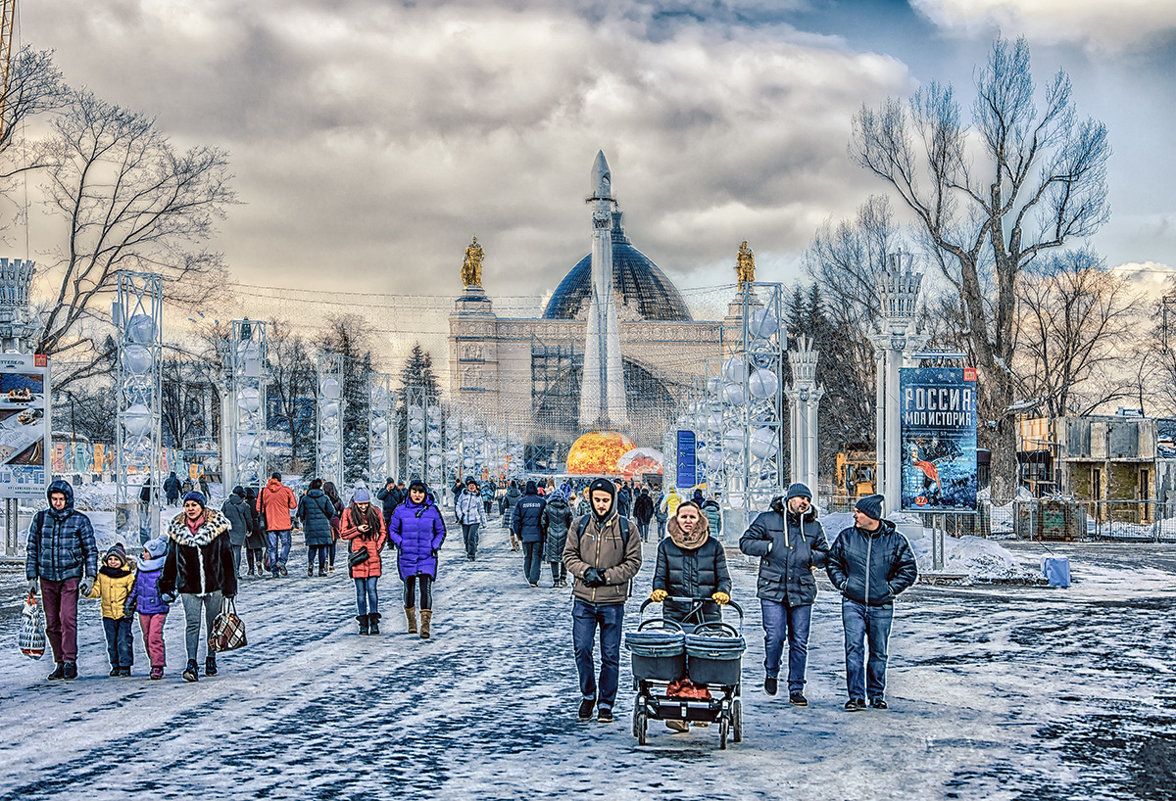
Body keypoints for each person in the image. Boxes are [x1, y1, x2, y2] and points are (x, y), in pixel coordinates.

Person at [826, 494, 919, 711]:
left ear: (872, 516)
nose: (855, 515)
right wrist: (843, 584)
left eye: (859, 512)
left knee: (879, 651)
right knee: (854, 648)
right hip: (853, 602)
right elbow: (833, 562)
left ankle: (877, 695)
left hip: (882, 605)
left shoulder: (896, 540)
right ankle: (856, 697)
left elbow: (909, 570)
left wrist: (890, 589)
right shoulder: (847, 537)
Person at [739, 483, 829, 705]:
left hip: (802, 589)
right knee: (775, 636)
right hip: (773, 589)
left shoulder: (814, 526)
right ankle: (771, 671)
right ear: (789, 499)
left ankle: (796, 688)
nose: (804, 503)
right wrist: (769, 547)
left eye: (807, 500)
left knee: (799, 641)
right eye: (800, 499)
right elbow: (746, 543)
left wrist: (810, 556)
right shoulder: (767, 520)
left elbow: (825, 553)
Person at [562, 478, 643, 724]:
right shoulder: (579, 525)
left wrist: (607, 576)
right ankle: (588, 695)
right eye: (597, 500)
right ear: (590, 499)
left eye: (605, 500)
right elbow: (568, 555)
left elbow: (633, 562)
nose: (601, 505)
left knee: (610, 654)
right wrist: (585, 571)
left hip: (612, 601)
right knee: (582, 649)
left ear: (613, 501)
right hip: (584, 599)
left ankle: (606, 703)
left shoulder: (627, 528)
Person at [650, 501, 731, 732]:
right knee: (677, 660)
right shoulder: (666, 546)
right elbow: (660, 576)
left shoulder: (714, 546)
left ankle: (701, 705)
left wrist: (723, 592)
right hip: (676, 610)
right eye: (683, 516)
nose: (688, 521)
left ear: (700, 520)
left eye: (692, 517)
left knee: (701, 660)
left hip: (707, 611)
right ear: (676, 520)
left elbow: (723, 577)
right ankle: (678, 709)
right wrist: (659, 590)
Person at [159, 491, 237, 683]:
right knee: (192, 624)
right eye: (187, 505)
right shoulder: (177, 530)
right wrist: (167, 584)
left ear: (202, 507)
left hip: (214, 585)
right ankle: (191, 663)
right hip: (189, 586)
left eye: (194, 505)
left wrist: (229, 587)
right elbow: (171, 559)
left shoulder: (217, 528)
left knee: (212, 624)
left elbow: (227, 558)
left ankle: (211, 658)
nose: (190, 509)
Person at [26, 479, 98, 681]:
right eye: (54, 499)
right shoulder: (40, 520)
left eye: (61, 499)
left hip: (70, 575)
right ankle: (59, 661)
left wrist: (90, 576)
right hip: (47, 577)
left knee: (67, 618)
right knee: (52, 623)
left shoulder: (80, 521)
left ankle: (69, 661)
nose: (57, 502)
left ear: (68, 500)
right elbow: (32, 549)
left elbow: (90, 550)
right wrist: (32, 576)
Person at [387, 480, 447, 639]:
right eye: (414, 491)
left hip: (427, 555)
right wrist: (401, 543)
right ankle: (411, 621)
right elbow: (392, 530)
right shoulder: (400, 510)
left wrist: (433, 545)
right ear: (409, 492)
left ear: (425, 493)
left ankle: (425, 625)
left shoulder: (432, 511)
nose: (417, 495)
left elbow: (440, 531)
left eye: (420, 492)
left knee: (426, 587)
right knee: (409, 586)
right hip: (407, 555)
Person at [85, 543, 137, 677]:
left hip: (124, 614)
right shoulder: (102, 574)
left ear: (122, 561)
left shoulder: (127, 576)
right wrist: (88, 591)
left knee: (123, 640)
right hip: (108, 615)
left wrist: (131, 606)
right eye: (110, 559)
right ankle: (115, 665)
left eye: (116, 559)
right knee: (111, 642)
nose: (113, 562)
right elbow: (97, 591)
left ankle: (125, 666)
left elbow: (133, 592)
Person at [339, 489, 387, 635]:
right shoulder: (348, 513)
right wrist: (358, 530)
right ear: (355, 503)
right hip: (358, 556)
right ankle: (363, 623)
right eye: (360, 504)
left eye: (365, 504)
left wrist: (377, 547)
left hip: (372, 555)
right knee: (360, 592)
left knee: (372, 590)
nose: (363, 507)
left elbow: (383, 531)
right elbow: (343, 534)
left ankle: (374, 621)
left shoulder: (376, 512)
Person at [127, 537, 170, 680]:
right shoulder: (141, 567)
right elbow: (136, 587)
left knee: (154, 637)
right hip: (143, 608)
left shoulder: (162, 569)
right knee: (147, 638)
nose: (143, 554)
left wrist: (168, 595)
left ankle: (158, 666)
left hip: (158, 608)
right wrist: (130, 602)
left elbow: (170, 585)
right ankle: (153, 661)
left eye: (146, 551)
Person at [257, 472, 297, 578]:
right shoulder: (286, 490)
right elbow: (293, 505)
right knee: (286, 544)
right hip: (284, 523)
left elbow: (258, 508)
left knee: (272, 548)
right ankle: (282, 561)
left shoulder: (263, 492)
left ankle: (274, 570)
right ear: (280, 480)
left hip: (270, 524)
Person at [297, 478, 336, 577]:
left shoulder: (305, 498)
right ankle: (321, 569)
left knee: (312, 547)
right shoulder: (325, 498)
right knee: (322, 547)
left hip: (310, 525)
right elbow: (332, 511)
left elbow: (300, 513)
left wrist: (304, 521)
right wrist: (327, 519)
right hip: (323, 525)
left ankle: (310, 564)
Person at [512, 480, 547, 587]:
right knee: (537, 557)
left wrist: (519, 534)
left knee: (527, 556)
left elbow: (516, 521)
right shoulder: (542, 502)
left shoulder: (521, 502)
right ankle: (533, 579)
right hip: (538, 535)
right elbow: (546, 519)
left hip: (525, 535)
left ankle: (528, 576)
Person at [540, 487, 573, 587]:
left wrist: (545, 532)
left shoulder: (548, 507)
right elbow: (571, 523)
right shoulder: (567, 508)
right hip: (564, 533)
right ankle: (563, 578)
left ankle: (556, 580)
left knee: (553, 558)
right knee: (564, 557)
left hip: (551, 533)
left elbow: (543, 522)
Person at [221, 486, 252, 577]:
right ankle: (236, 572)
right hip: (240, 530)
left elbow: (221, 515)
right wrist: (250, 529)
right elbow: (248, 519)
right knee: (237, 551)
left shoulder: (226, 503)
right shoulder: (244, 505)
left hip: (227, 529)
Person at [455, 477, 487, 561]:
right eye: (470, 485)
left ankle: (471, 554)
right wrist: (460, 514)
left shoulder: (478, 497)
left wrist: (484, 522)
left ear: (476, 487)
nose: (472, 487)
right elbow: (458, 505)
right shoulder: (463, 495)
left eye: (473, 485)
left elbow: (481, 509)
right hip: (464, 519)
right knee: (466, 538)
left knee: (471, 537)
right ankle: (468, 549)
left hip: (475, 520)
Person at [243, 487, 266, 576]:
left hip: (249, 527)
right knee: (258, 547)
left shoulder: (245, 504)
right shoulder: (257, 503)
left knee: (249, 549)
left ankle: (251, 569)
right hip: (258, 526)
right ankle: (259, 562)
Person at [323, 481, 344, 574]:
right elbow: (343, 509)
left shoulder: (322, 499)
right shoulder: (337, 499)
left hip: (324, 523)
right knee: (333, 545)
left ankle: (325, 559)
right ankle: (331, 565)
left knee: (324, 545)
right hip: (334, 523)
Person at [504, 481, 522, 550]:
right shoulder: (519, 494)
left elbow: (504, 503)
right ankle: (517, 540)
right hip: (517, 511)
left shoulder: (508, 494)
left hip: (509, 511)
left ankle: (513, 546)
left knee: (511, 530)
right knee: (517, 527)